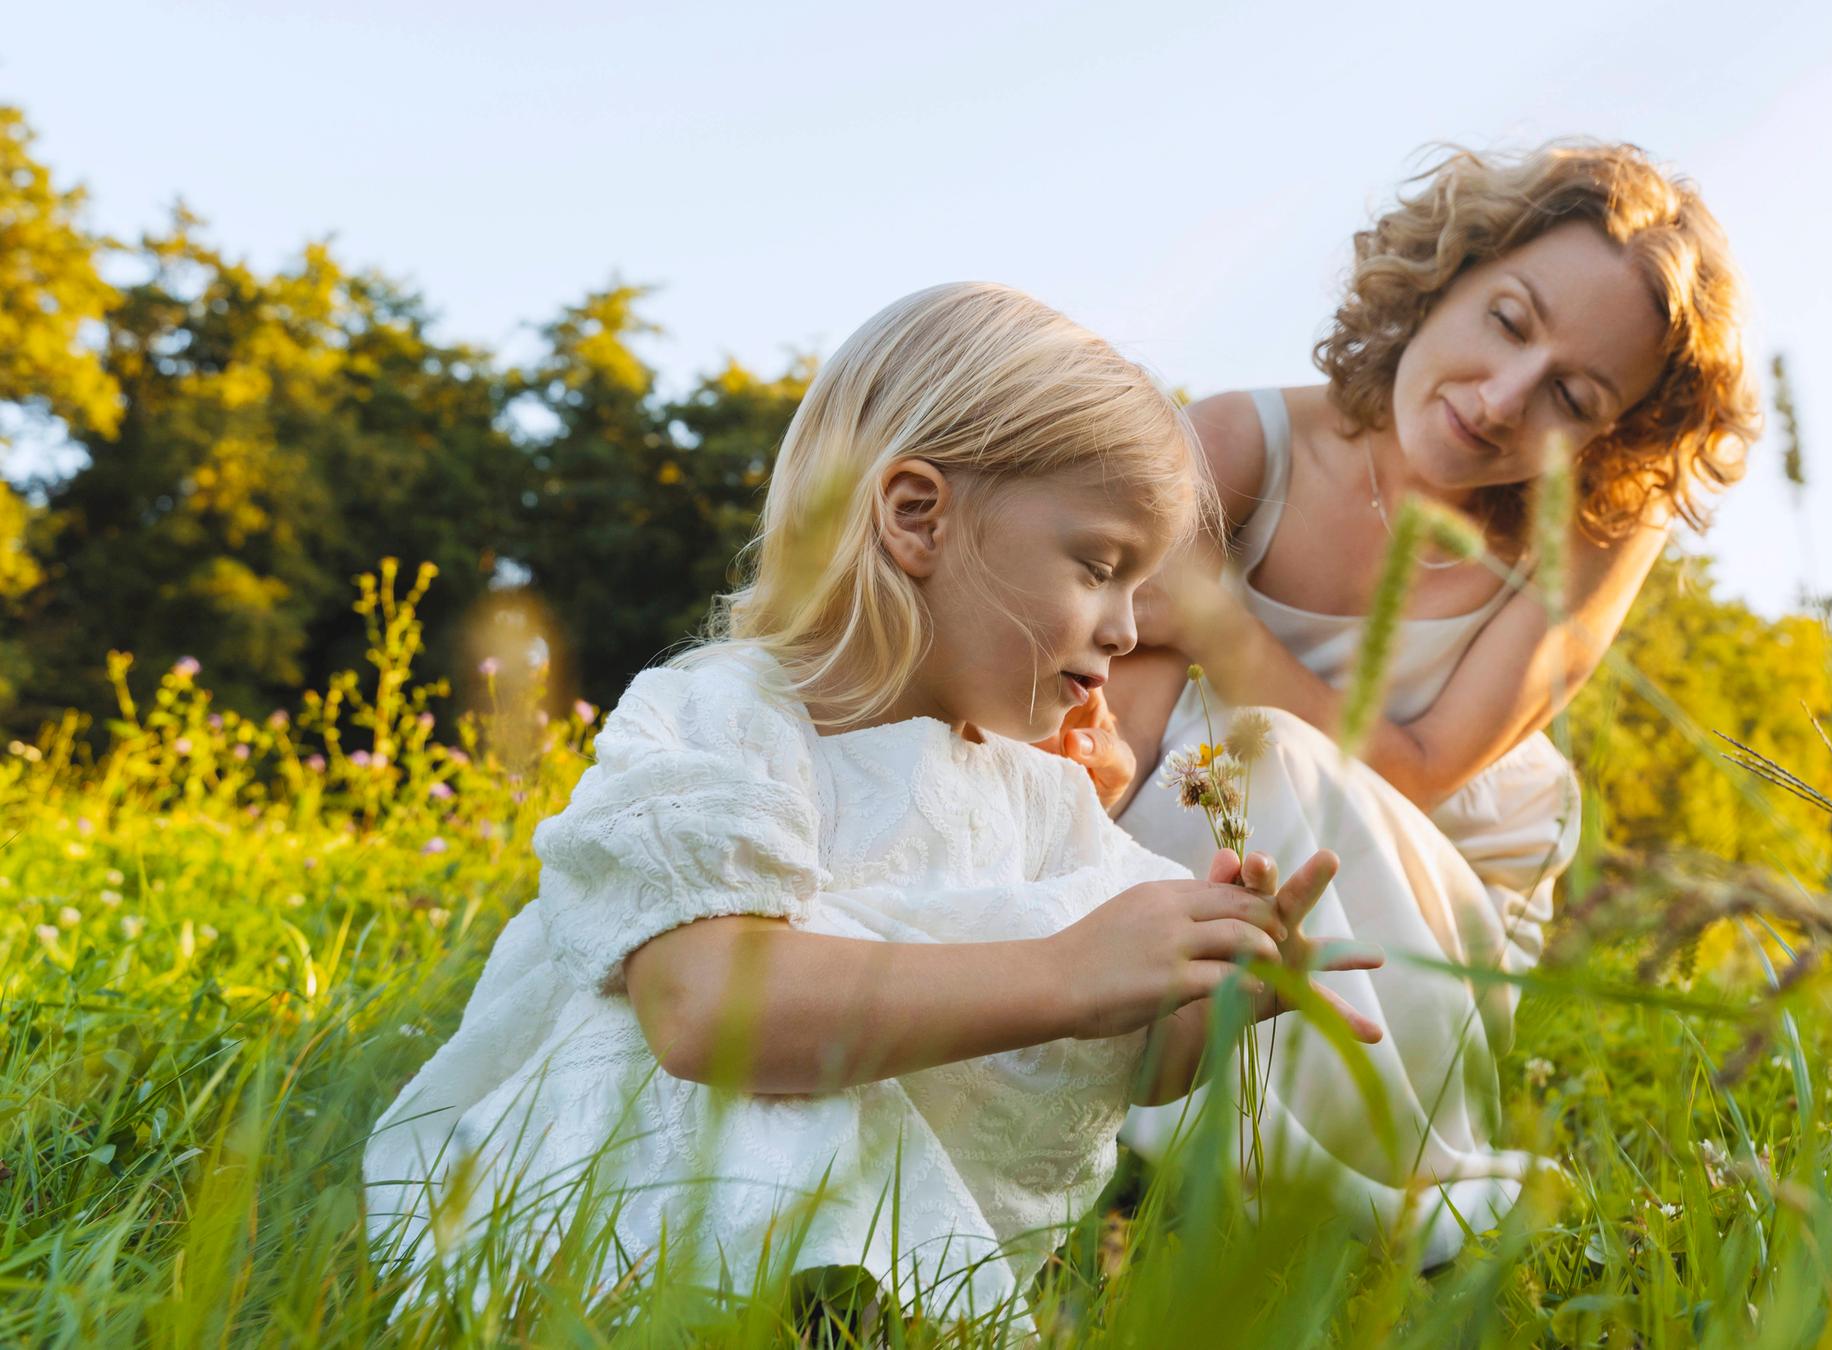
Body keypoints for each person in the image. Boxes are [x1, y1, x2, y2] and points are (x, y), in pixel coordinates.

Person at [361, 282, 1382, 1327]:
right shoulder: (728, 718)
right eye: (1098, 567)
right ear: (916, 516)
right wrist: (1070, 969)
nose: (1126, 629)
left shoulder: (1043, 800)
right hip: (634, 1245)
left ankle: (852, 1311)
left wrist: (1201, 997)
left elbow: (1123, 1056)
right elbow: (703, 1010)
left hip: (872, 1249)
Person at [1049, 142, 1761, 1262]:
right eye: (1509, 321)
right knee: (1204, 761)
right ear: (1447, 273)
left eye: (1574, 398)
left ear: (1613, 434)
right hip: (1196, 841)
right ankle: (1126, 1104)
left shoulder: (1590, 530)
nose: (1502, 400)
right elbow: (1106, 725)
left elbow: (1424, 766)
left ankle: (1283, 1161)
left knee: (1266, 750)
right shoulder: (1240, 443)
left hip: (1429, 906)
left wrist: (1221, 627)